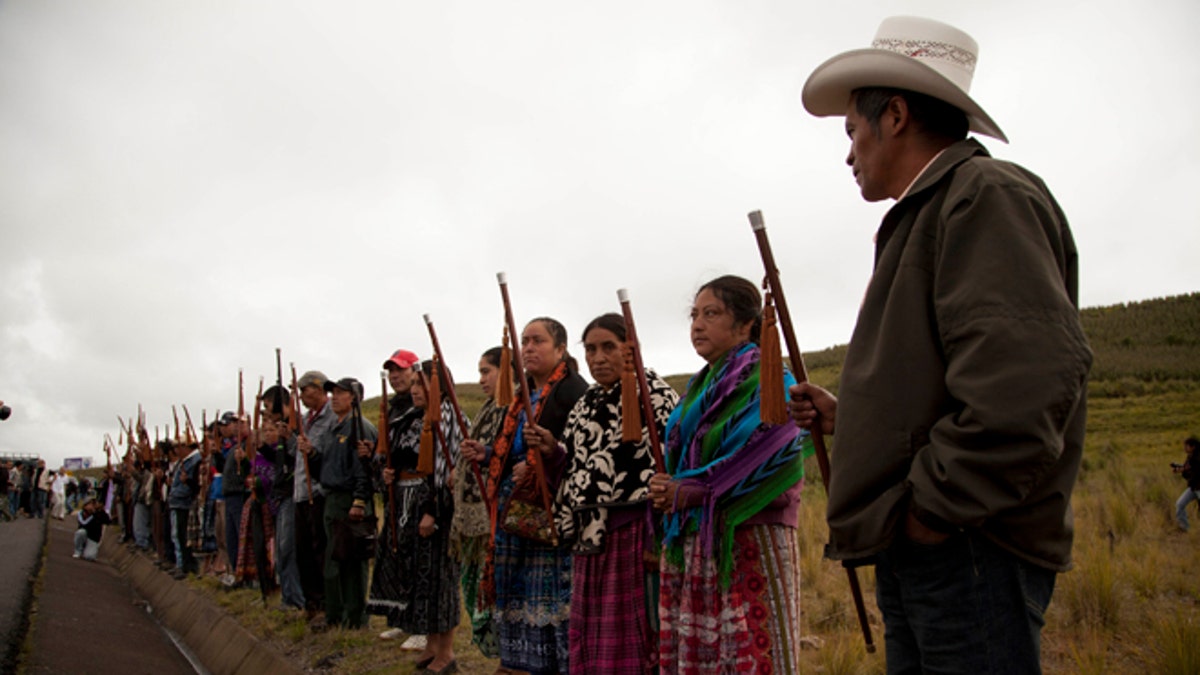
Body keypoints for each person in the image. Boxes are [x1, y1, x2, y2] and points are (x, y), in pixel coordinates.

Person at [790, 17, 1092, 673]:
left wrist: (931, 512)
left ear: (893, 114)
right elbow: (944, 382)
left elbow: (1024, 386)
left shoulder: (983, 196)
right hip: (937, 544)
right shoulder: (932, 210)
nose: (848, 153)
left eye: (852, 130)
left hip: (967, 546)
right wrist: (854, 418)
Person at [648, 276, 810, 674]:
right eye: (694, 315)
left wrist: (693, 489)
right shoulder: (698, 388)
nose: (697, 325)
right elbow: (682, 458)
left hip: (751, 536)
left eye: (711, 314)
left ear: (745, 325)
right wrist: (668, 484)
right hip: (699, 540)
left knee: (751, 655)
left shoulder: (771, 379)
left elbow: (776, 454)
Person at [461, 317, 588, 675]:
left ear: (560, 349)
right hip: (513, 507)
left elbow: (579, 451)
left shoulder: (573, 390)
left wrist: (541, 466)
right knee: (516, 590)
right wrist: (487, 454)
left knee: (547, 595)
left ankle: (552, 664)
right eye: (525, 341)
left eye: (538, 341)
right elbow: (514, 448)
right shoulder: (521, 398)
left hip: (548, 509)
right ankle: (517, 661)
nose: (529, 348)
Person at [555, 313, 679, 674]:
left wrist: (658, 536)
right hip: (592, 539)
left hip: (639, 534)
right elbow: (574, 468)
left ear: (630, 348)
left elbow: (673, 463)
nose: (598, 357)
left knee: (638, 631)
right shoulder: (584, 405)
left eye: (609, 347)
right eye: (591, 349)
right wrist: (551, 453)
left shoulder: (656, 396)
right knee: (595, 630)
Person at [370, 358, 462, 672]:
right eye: (415, 385)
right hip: (414, 501)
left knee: (440, 578)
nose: (416, 390)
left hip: (435, 507)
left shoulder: (447, 416)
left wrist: (433, 513)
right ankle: (433, 645)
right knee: (423, 579)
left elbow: (446, 472)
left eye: (423, 384)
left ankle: (447, 652)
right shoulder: (417, 417)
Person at [450, 347, 510, 659]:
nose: (481, 379)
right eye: (479, 372)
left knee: (497, 594)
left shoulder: (511, 407)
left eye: (487, 371)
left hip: (496, 518)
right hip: (473, 522)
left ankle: (506, 656)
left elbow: (504, 455)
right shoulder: (489, 407)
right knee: (475, 589)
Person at [317, 376, 377, 629]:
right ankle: (336, 614)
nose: (334, 398)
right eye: (333, 393)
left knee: (352, 560)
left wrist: (360, 500)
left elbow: (364, 469)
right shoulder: (335, 428)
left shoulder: (360, 428)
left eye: (341, 393)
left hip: (350, 501)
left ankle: (354, 617)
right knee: (334, 560)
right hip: (331, 499)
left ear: (354, 398)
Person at [295, 370, 335, 625]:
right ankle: (310, 603)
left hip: (319, 493)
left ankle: (323, 604)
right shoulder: (305, 420)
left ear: (319, 389)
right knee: (303, 552)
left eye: (305, 390)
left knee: (320, 549)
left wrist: (313, 451)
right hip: (301, 492)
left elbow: (330, 454)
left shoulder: (331, 418)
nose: (301, 396)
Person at [167, 438, 203, 579]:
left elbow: (190, 485)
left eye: (179, 446)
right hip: (179, 503)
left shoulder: (194, 461)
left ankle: (187, 566)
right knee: (179, 536)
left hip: (184, 503)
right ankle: (182, 565)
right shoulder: (186, 461)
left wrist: (175, 493)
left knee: (184, 536)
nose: (176, 450)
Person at [1173, 436, 1200, 531]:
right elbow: (1187, 471)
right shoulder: (1190, 457)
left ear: (1193, 446)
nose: (1185, 448)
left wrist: (1184, 469)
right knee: (1180, 504)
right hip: (1193, 487)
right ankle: (1184, 528)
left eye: (1187, 446)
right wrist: (1181, 470)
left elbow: (1195, 469)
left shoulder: (1197, 458)